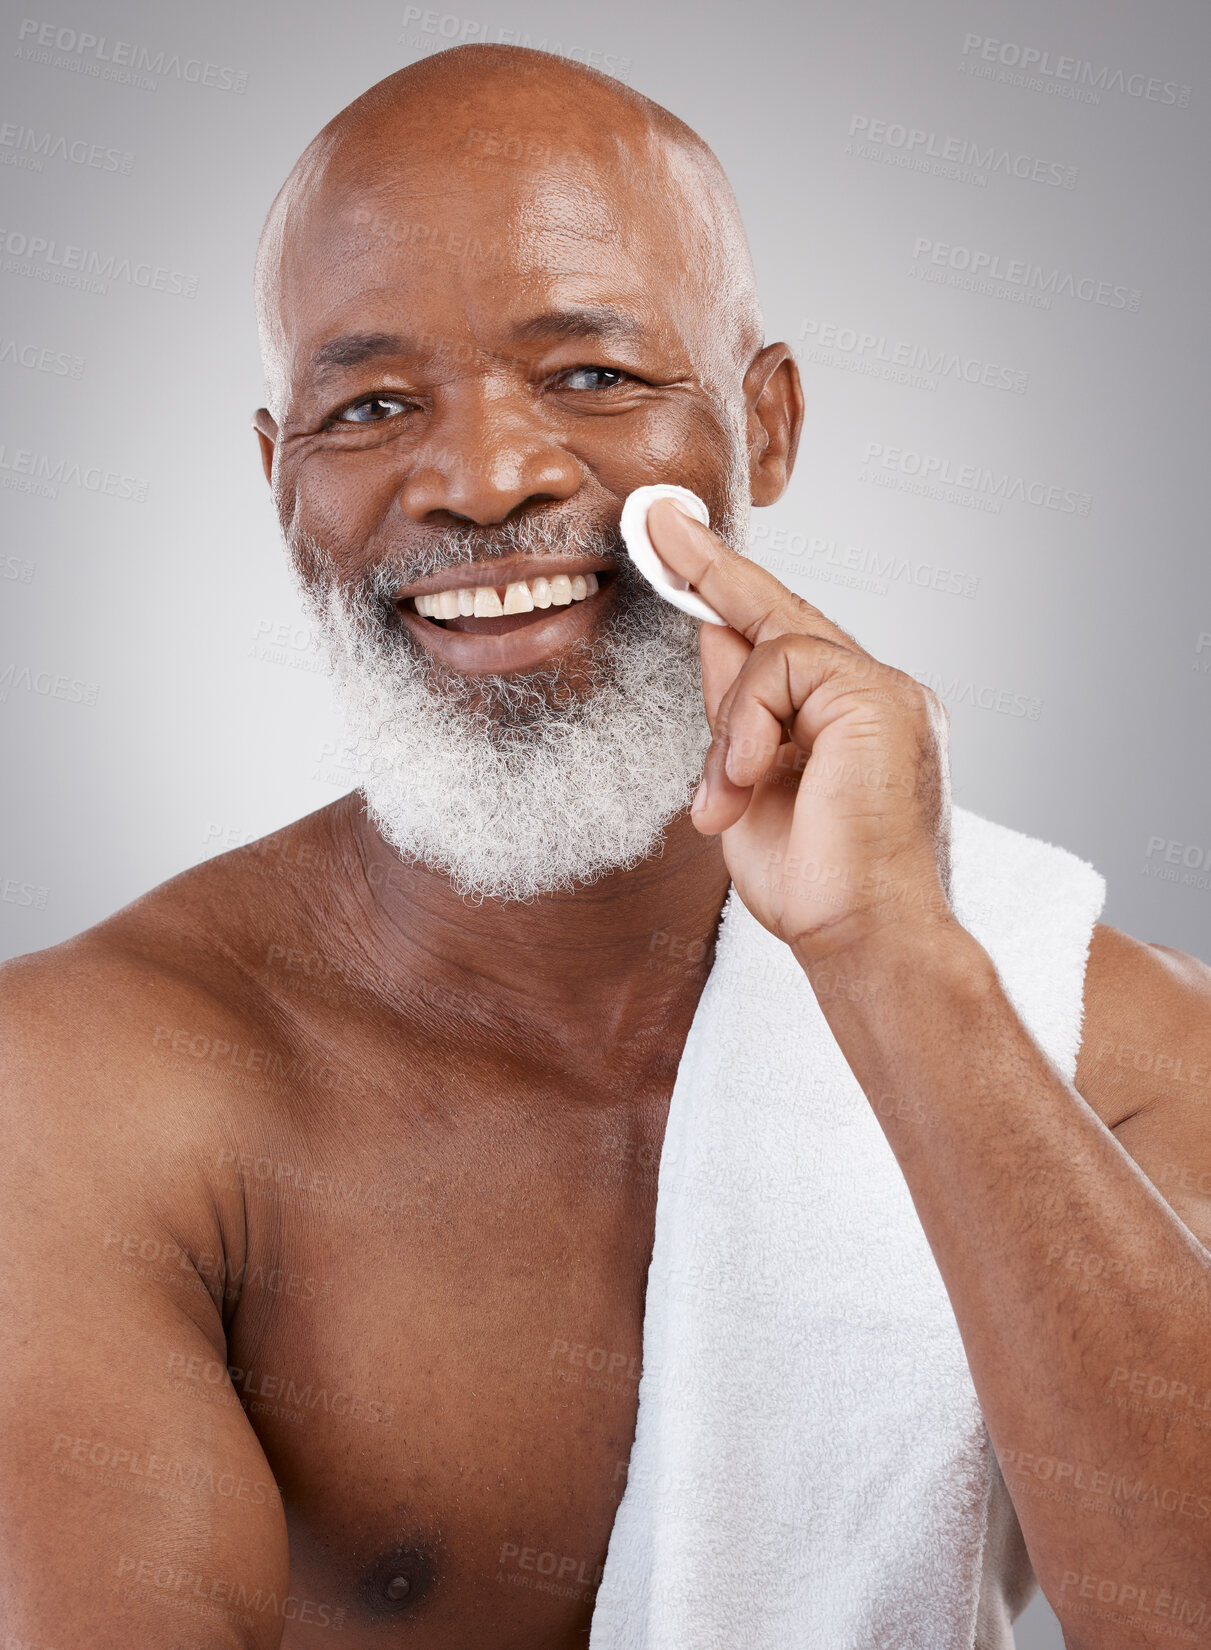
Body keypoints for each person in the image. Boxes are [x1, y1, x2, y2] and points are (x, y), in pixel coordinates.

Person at [3, 42, 1210, 1650]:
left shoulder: (1096, 1033)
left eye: (591, 378)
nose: (486, 478)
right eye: (370, 406)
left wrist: (902, 968)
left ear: (763, 426)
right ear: (280, 482)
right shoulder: (82, 1082)